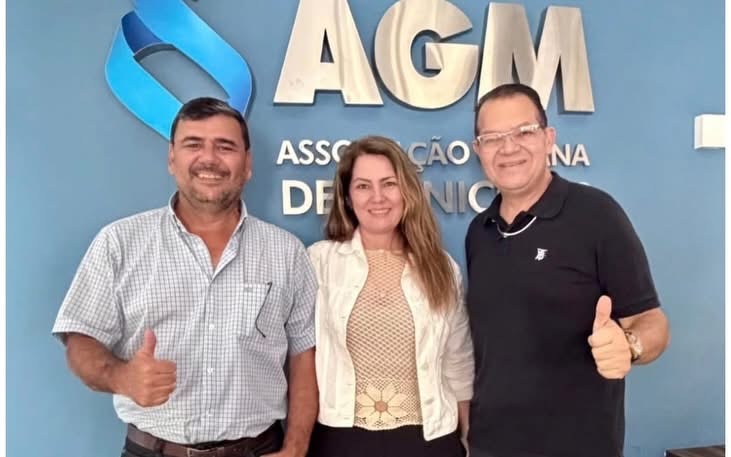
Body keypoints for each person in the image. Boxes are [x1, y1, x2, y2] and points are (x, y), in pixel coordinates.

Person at [52, 97, 318, 457]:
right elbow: (80, 339)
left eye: (225, 146)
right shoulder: (119, 242)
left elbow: (304, 354)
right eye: (194, 144)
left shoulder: (286, 251)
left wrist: (296, 447)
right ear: (171, 158)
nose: (209, 158)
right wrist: (122, 377)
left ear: (247, 164)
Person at [465, 83, 670, 457]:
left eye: (523, 132)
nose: (508, 148)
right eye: (492, 138)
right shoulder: (479, 232)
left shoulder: (596, 215)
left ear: (548, 138)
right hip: (491, 446)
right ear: (479, 150)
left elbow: (652, 322)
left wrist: (630, 345)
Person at [306, 136, 474, 457]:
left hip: (430, 440)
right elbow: (300, 359)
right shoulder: (319, 262)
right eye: (363, 186)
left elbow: (458, 359)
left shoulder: (441, 266)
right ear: (347, 197)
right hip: (342, 440)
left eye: (389, 184)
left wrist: (468, 438)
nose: (378, 197)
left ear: (407, 191)